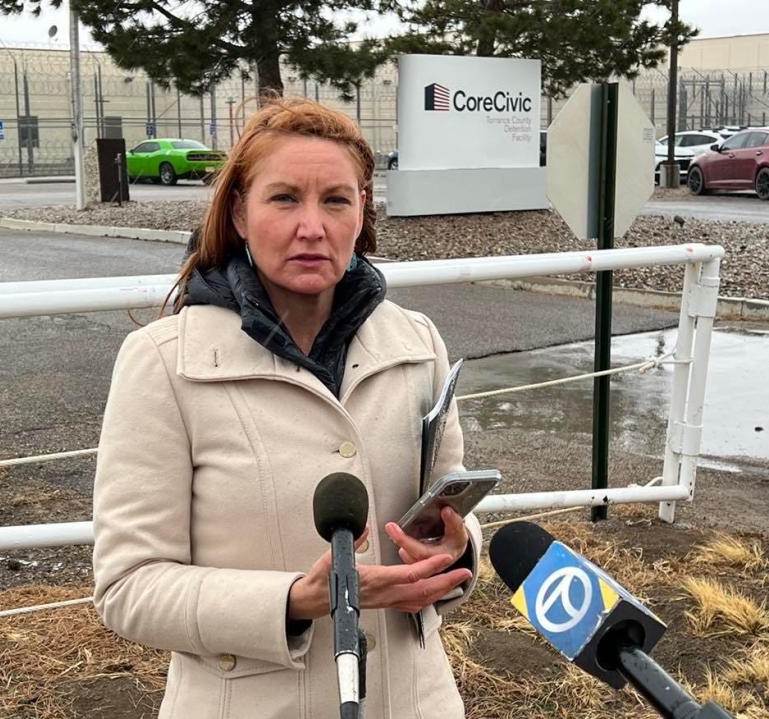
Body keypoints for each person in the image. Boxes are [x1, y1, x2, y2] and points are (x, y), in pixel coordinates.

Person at [92, 97, 483, 719]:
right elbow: (129, 588)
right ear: (240, 214)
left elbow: (445, 513)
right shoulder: (164, 362)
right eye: (284, 199)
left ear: (363, 213)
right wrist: (296, 600)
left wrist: (453, 553)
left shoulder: (418, 343)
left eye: (335, 199)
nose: (312, 226)